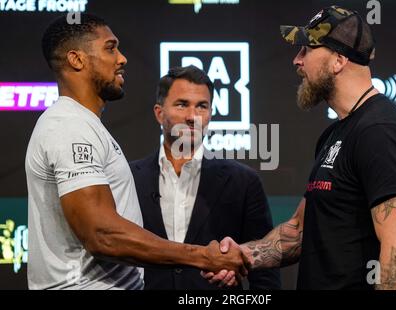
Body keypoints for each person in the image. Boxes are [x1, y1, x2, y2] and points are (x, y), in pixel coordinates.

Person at [204, 5, 396, 290]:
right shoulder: (336, 133)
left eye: (306, 50)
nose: (297, 61)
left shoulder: (381, 131)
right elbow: (300, 231)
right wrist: (243, 255)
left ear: (337, 60)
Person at [25, 14, 247, 290]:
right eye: (110, 48)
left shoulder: (84, 125)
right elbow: (101, 234)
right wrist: (202, 256)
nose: (122, 58)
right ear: (76, 59)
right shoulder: (69, 126)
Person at [130, 65, 281, 290]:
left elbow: (266, 273)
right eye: (182, 104)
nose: (192, 117)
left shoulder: (243, 181)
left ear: (210, 113)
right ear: (159, 113)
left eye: (202, 106)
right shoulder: (129, 178)